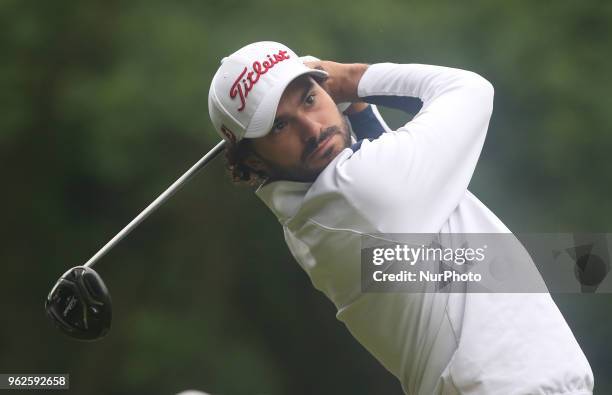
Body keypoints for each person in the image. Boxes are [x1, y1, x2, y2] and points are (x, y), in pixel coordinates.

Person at [207, 41, 594, 394]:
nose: (311, 128)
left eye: (309, 99)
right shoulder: (361, 190)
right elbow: (471, 90)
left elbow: (377, 146)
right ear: (254, 160)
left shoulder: (318, 208)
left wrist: (356, 106)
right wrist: (354, 79)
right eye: (279, 125)